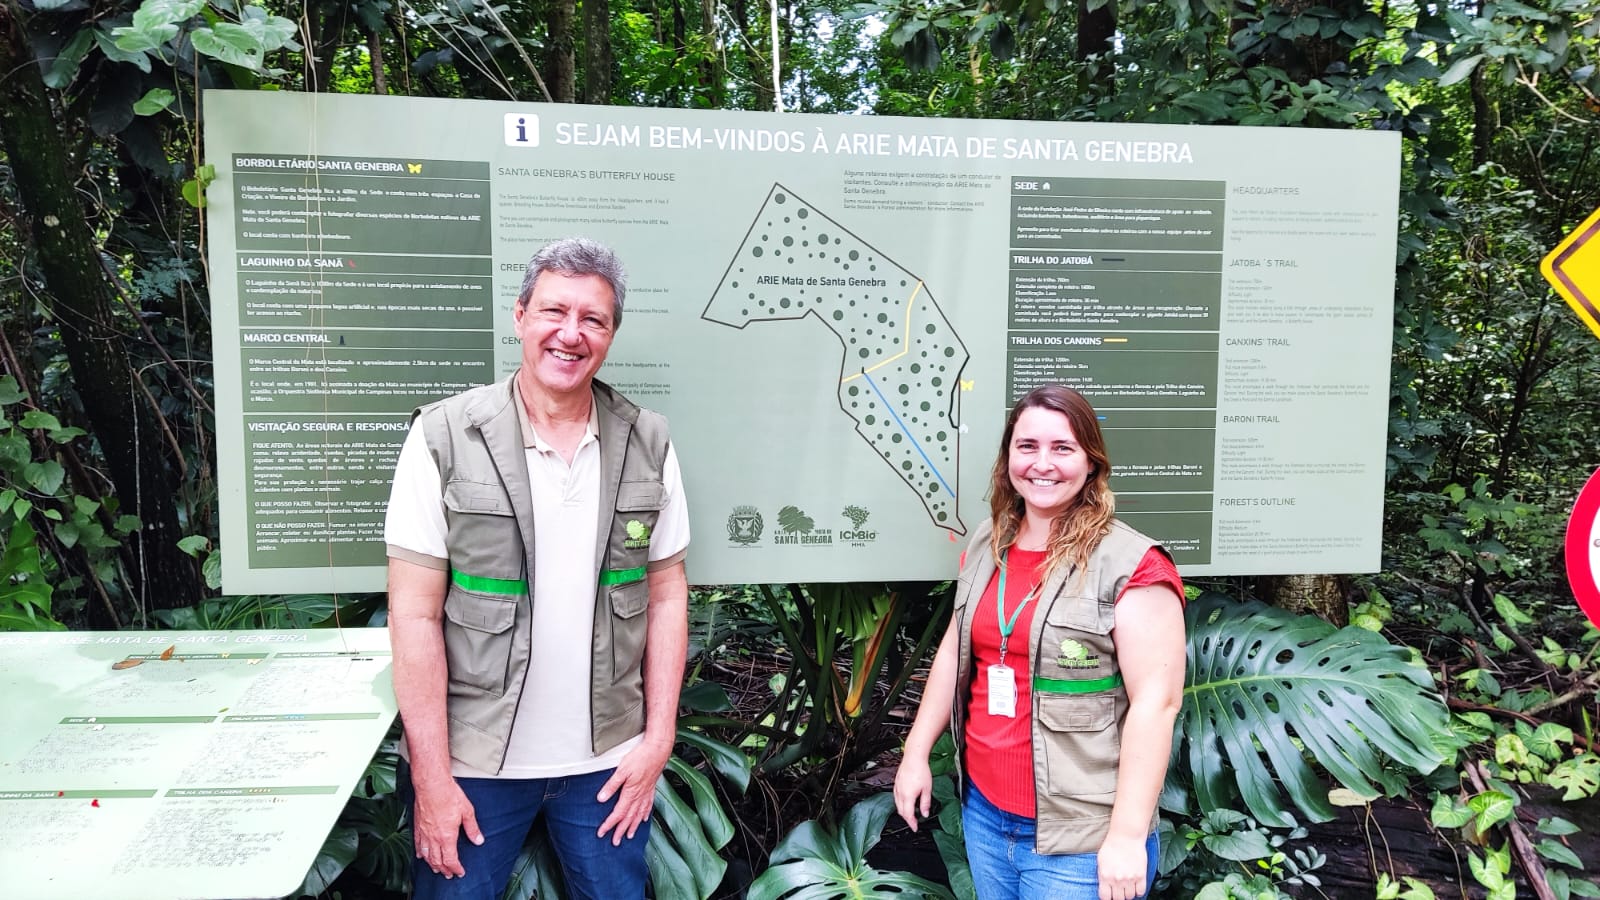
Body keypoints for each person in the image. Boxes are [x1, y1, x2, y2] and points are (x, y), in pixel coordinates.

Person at [384, 237, 690, 900]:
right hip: (472, 764)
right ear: (521, 315)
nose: (570, 334)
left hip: (609, 763)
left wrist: (657, 741)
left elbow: (667, 593)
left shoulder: (649, 441)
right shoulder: (443, 437)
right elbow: (413, 614)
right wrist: (432, 777)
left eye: (593, 319)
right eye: (554, 311)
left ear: (610, 334)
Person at [893, 384, 1185, 900]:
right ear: (1008, 456)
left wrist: (1126, 838)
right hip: (985, 817)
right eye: (1027, 446)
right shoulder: (989, 542)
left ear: (1091, 463)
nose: (1042, 464)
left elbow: (1156, 704)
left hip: (1082, 838)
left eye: (1062, 448)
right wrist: (915, 752)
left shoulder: (1132, 565)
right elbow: (957, 646)